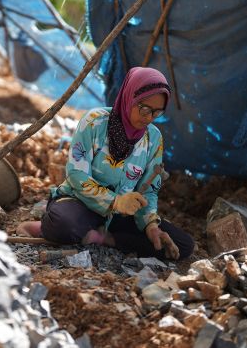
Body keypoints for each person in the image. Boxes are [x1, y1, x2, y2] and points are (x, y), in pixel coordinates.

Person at [17, 67, 194, 260]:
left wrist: (151, 225)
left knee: (183, 245)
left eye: (157, 112)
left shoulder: (153, 138)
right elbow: (77, 175)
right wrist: (116, 201)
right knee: (64, 224)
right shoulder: (94, 122)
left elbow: (149, 190)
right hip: (81, 204)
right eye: (144, 108)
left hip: (122, 216)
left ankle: (104, 238)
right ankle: (44, 226)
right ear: (129, 97)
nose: (149, 117)